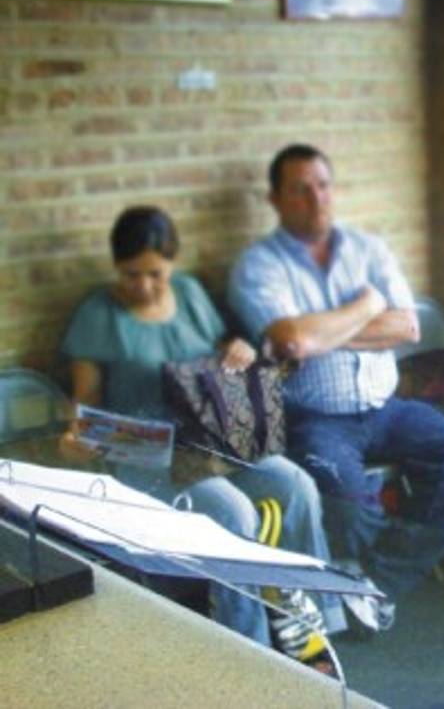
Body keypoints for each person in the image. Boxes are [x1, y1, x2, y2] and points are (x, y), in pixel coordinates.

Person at [60, 205, 346, 659]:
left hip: (210, 436)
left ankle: (317, 621)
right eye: (131, 274)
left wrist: (238, 350)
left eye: (155, 274)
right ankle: (249, 646)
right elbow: (84, 402)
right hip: (145, 451)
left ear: (171, 263)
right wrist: (77, 437)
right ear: (116, 266)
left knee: (297, 485)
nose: (144, 286)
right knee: (235, 513)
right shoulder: (98, 314)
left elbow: (218, 356)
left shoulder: (190, 294)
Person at [227, 143, 444, 601]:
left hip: (386, 409)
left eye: (323, 186)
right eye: (300, 190)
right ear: (275, 199)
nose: (316, 199)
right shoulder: (259, 265)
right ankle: (362, 584)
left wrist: (320, 332)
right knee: (349, 509)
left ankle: (377, 585)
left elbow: (406, 326)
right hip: (316, 420)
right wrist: (368, 305)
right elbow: (293, 342)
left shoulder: (368, 249)